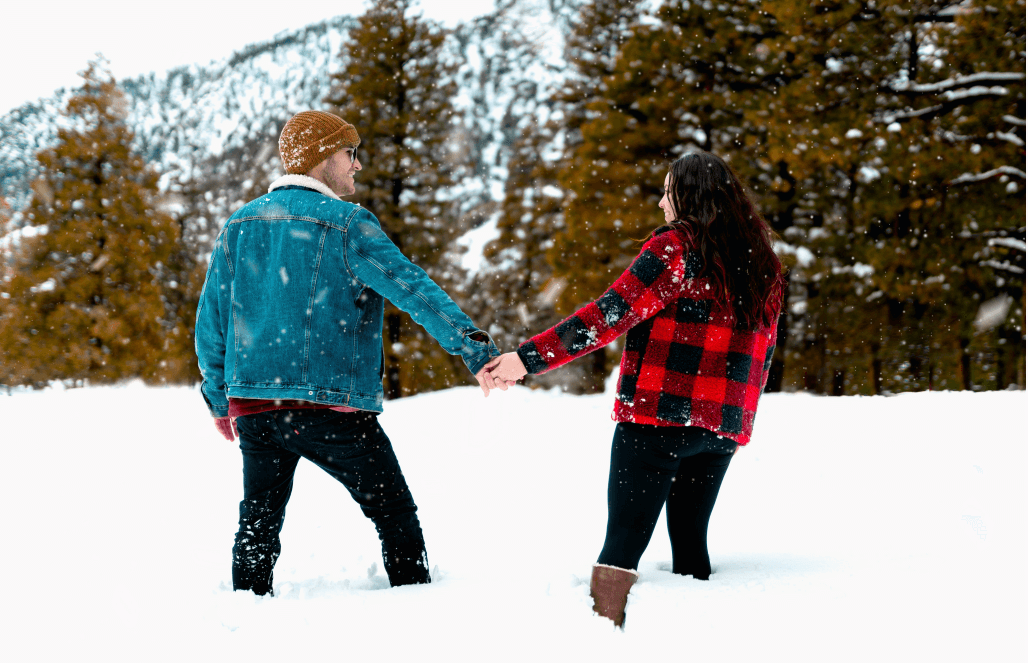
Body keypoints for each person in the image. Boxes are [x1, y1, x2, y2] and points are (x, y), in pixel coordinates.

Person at [195, 110, 502, 596]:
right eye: (349, 153)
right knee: (394, 513)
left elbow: (211, 326)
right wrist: (475, 348)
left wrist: (220, 401)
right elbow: (414, 289)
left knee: (257, 521)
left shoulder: (239, 225)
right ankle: (419, 604)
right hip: (331, 407)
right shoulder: (347, 224)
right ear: (321, 159)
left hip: (256, 407)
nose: (357, 165)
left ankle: (246, 613)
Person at [484, 151, 785, 628]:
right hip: (721, 429)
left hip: (658, 419)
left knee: (622, 547)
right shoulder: (762, 259)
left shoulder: (677, 248)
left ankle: (601, 635)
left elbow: (608, 315)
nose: (662, 202)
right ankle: (698, 637)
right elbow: (763, 350)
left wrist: (527, 359)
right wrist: (737, 417)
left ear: (688, 196)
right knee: (690, 545)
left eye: (669, 191)